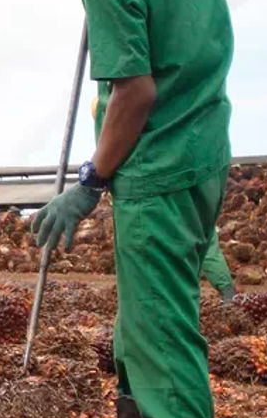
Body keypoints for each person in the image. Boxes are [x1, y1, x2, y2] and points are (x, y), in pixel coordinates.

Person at [4, 0, 238, 418]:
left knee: (162, 328)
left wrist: (89, 182)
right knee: (139, 320)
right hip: (204, 150)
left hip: (156, 167)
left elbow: (134, 92)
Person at [92, 96, 237, 303]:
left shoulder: (115, 104)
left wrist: (102, 176)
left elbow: (112, 146)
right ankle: (221, 291)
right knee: (198, 238)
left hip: (151, 183)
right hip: (185, 170)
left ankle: (210, 293)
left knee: (161, 246)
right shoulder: (184, 101)